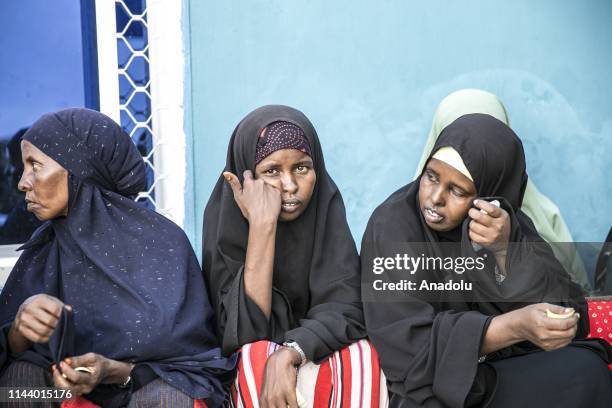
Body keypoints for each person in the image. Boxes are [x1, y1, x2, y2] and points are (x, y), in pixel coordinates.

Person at [362, 113, 611, 407]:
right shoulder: (393, 224)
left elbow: (570, 311)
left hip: (506, 366)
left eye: (458, 190)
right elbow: (409, 346)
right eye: (431, 176)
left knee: (584, 370)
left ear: (490, 194)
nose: (435, 198)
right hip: (437, 383)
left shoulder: (506, 224)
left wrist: (505, 250)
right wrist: (513, 326)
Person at [0, 108, 235, 407]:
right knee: (18, 384)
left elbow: (195, 368)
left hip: (137, 390)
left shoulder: (163, 245)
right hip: (61, 396)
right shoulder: (41, 254)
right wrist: (18, 332)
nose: (22, 182)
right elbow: (12, 357)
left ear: (78, 170)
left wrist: (113, 372)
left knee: (170, 397)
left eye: (35, 165)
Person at [202, 105, 387, 407]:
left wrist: (292, 351)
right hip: (254, 380)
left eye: (301, 167)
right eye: (271, 171)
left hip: (317, 360)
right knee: (254, 358)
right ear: (247, 176)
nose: (289, 186)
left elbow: (348, 311)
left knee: (363, 354)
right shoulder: (227, 230)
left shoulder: (326, 216)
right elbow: (246, 337)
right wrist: (263, 227)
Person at [413, 89, 590, 291]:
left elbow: (568, 299)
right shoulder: (403, 222)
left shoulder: (541, 220)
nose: (436, 198)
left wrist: (506, 250)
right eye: (457, 136)